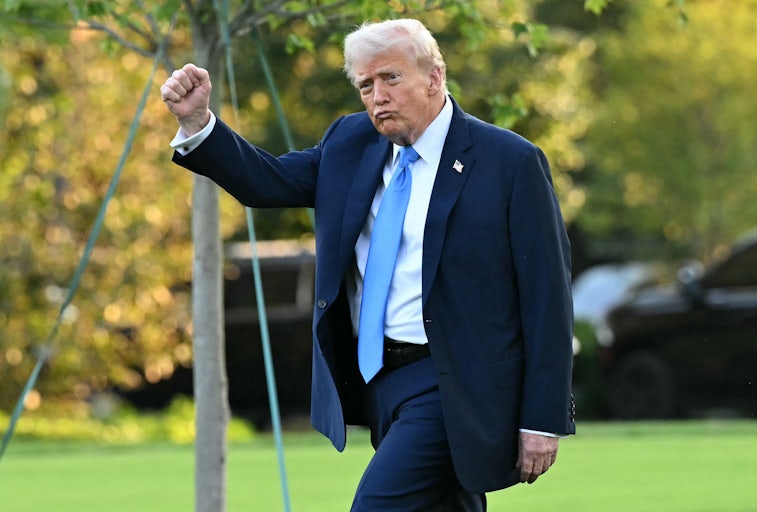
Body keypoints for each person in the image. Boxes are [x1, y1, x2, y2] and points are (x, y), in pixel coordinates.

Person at [161, 18, 575, 511]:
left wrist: (542, 417)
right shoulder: (349, 143)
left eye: (391, 78)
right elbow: (265, 182)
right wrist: (197, 124)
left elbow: (547, 296)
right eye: (365, 84)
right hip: (380, 380)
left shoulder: (509, 161)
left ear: (434, 77)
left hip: (457, 385)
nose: (377, 95)